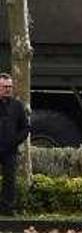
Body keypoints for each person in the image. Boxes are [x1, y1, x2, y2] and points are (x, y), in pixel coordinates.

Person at [0, 73, 30, 217]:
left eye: (10, 87)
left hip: (10, 150)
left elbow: (25, 128)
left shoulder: (17, 106)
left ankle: (7, 209)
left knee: (10, 179)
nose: (8, 89)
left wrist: (15, 140)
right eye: (5, 87)